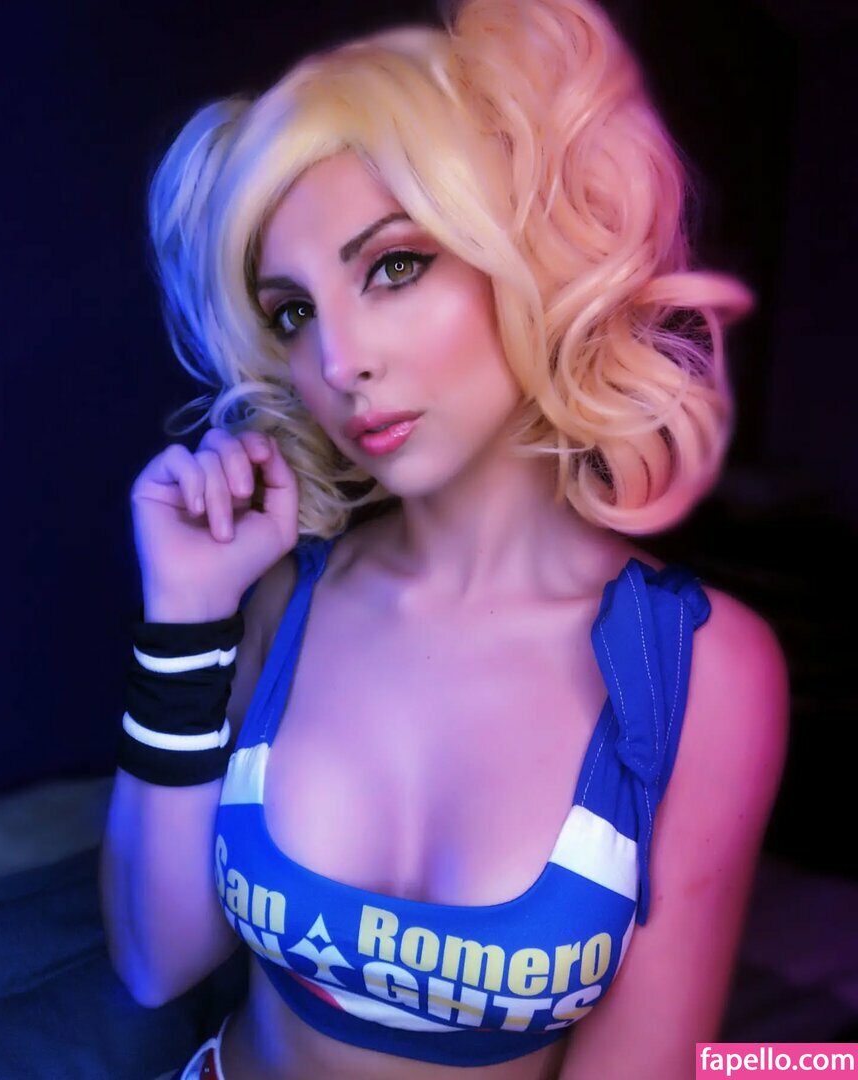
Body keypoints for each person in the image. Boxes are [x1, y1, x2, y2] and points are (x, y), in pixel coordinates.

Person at [99, 1, 789, 1077]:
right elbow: (157, 962)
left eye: (393, 267)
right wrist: (184, 620)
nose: (339, 361)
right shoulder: (283, 600)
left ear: (526, 256)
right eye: (293, 313)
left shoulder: (702, 670)